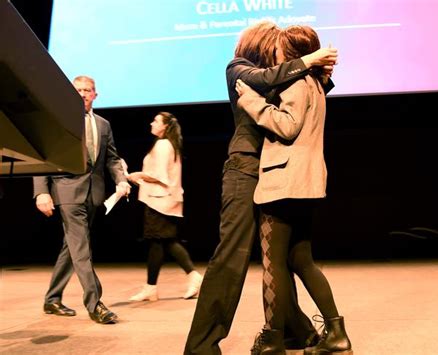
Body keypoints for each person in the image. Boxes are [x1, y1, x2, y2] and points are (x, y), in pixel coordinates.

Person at [184, 21, 338, 355]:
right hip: (245, 168)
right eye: (275, 48)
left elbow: (309, 97)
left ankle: (296, 331)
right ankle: (201, 346)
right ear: (262, 46)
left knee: (279, 258)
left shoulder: (281, 75)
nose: (279, 55)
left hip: (276, 172)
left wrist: (321, 73)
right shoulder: (239, 69)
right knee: (233, 255)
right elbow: (264, 82)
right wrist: (306, 62)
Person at [235, 25, 352, 354]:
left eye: (279, 49)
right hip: (306, 184)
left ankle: (273, 339)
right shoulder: (315, 82)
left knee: (273, 264)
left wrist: (253, 103)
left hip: (282, 185)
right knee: (301, 261)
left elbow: (287, 127)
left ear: (290, 54)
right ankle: (336, 333)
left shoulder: (297, 82)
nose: (274, 53)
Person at [33, 75, 130, 324]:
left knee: (72, 247)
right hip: (66, 192)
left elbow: (112, 158)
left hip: (93, 194)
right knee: (81, 248)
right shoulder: (57, 122)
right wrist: (41, 191)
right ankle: (94, 303)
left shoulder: (103, 124)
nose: (83, 94)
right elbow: (43, 157)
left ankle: (52, 299)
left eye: (88, 90)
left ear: (95, 95)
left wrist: (120, 179)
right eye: (78, 90)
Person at [126, 112, 203, 301]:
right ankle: (152, 287)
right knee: (162, 242)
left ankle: (192, 276)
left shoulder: (162, 145)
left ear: (165, 126)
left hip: (159, 200)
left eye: (156, 121)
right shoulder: (170, 144)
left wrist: (137, 175)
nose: (152, 123)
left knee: (162, 241)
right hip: (163, 198)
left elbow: (160, 175)